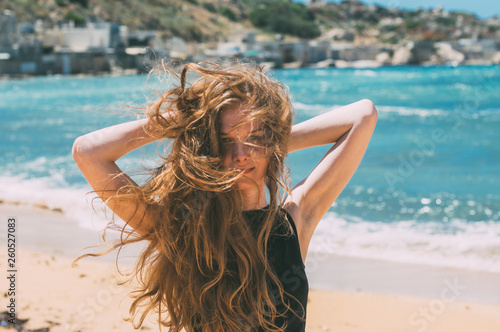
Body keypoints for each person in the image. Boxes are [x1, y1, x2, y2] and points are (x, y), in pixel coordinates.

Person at [72, 61, 377, 332]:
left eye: (254, 137)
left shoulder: (294, 221)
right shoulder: (180, 231)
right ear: (207, 149)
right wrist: (186, 121)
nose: (241, 155)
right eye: (225, 141)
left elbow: (364, 114)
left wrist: (268, 146)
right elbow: (88, 152)